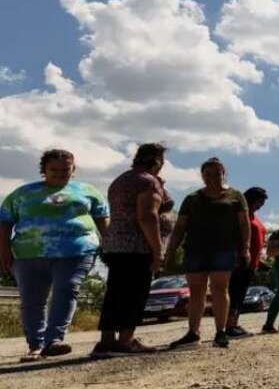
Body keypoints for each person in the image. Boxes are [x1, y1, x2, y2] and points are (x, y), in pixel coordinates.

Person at [0, 149, 109, 361]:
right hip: (28, 253)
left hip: (77, 250)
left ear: (73, 169)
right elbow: (4, 222)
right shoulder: (23, 193)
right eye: (54, 169)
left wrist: (109, 244)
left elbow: (102, 219)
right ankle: (35, 345)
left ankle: (54, 340)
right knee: (32, 299)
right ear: (44, 170)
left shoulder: (87, 191)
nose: (60, 173)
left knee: (67, 288)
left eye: (65, 169)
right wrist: (3, 250)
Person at [163, 158, 250, 349]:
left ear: (223, 173)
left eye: (216, 173)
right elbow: (180, 226)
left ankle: (221, 332)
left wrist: (245, 248)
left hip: (224, 249)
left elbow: (244, 224)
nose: (212, 177)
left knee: (220, 288)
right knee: (196, 291)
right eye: (207, 174)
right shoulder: (192, 198)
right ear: (202, 176)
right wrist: (170, 250)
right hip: (195, 249)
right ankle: (193, 333)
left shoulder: (235, 196)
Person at [95, 143, 171, 356]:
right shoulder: (148, 182)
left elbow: (164, 205)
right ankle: (126, 341)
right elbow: (147, 216)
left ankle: (106, 341)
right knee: (135, 294)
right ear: (157, 162)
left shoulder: (121, 180)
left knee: (115, 293)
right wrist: (158, 251)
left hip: (115, 245)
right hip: (137, 246)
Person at [225, 187, 268, 338]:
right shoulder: (240, 216)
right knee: (235, 294)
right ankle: (229, 326)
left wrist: (259, 261)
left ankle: (234, 323)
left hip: (251, 263)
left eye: (262, 203)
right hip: (239, 262)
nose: (261, 205)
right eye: (259, 202)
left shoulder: (254, 217)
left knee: (240, 295)